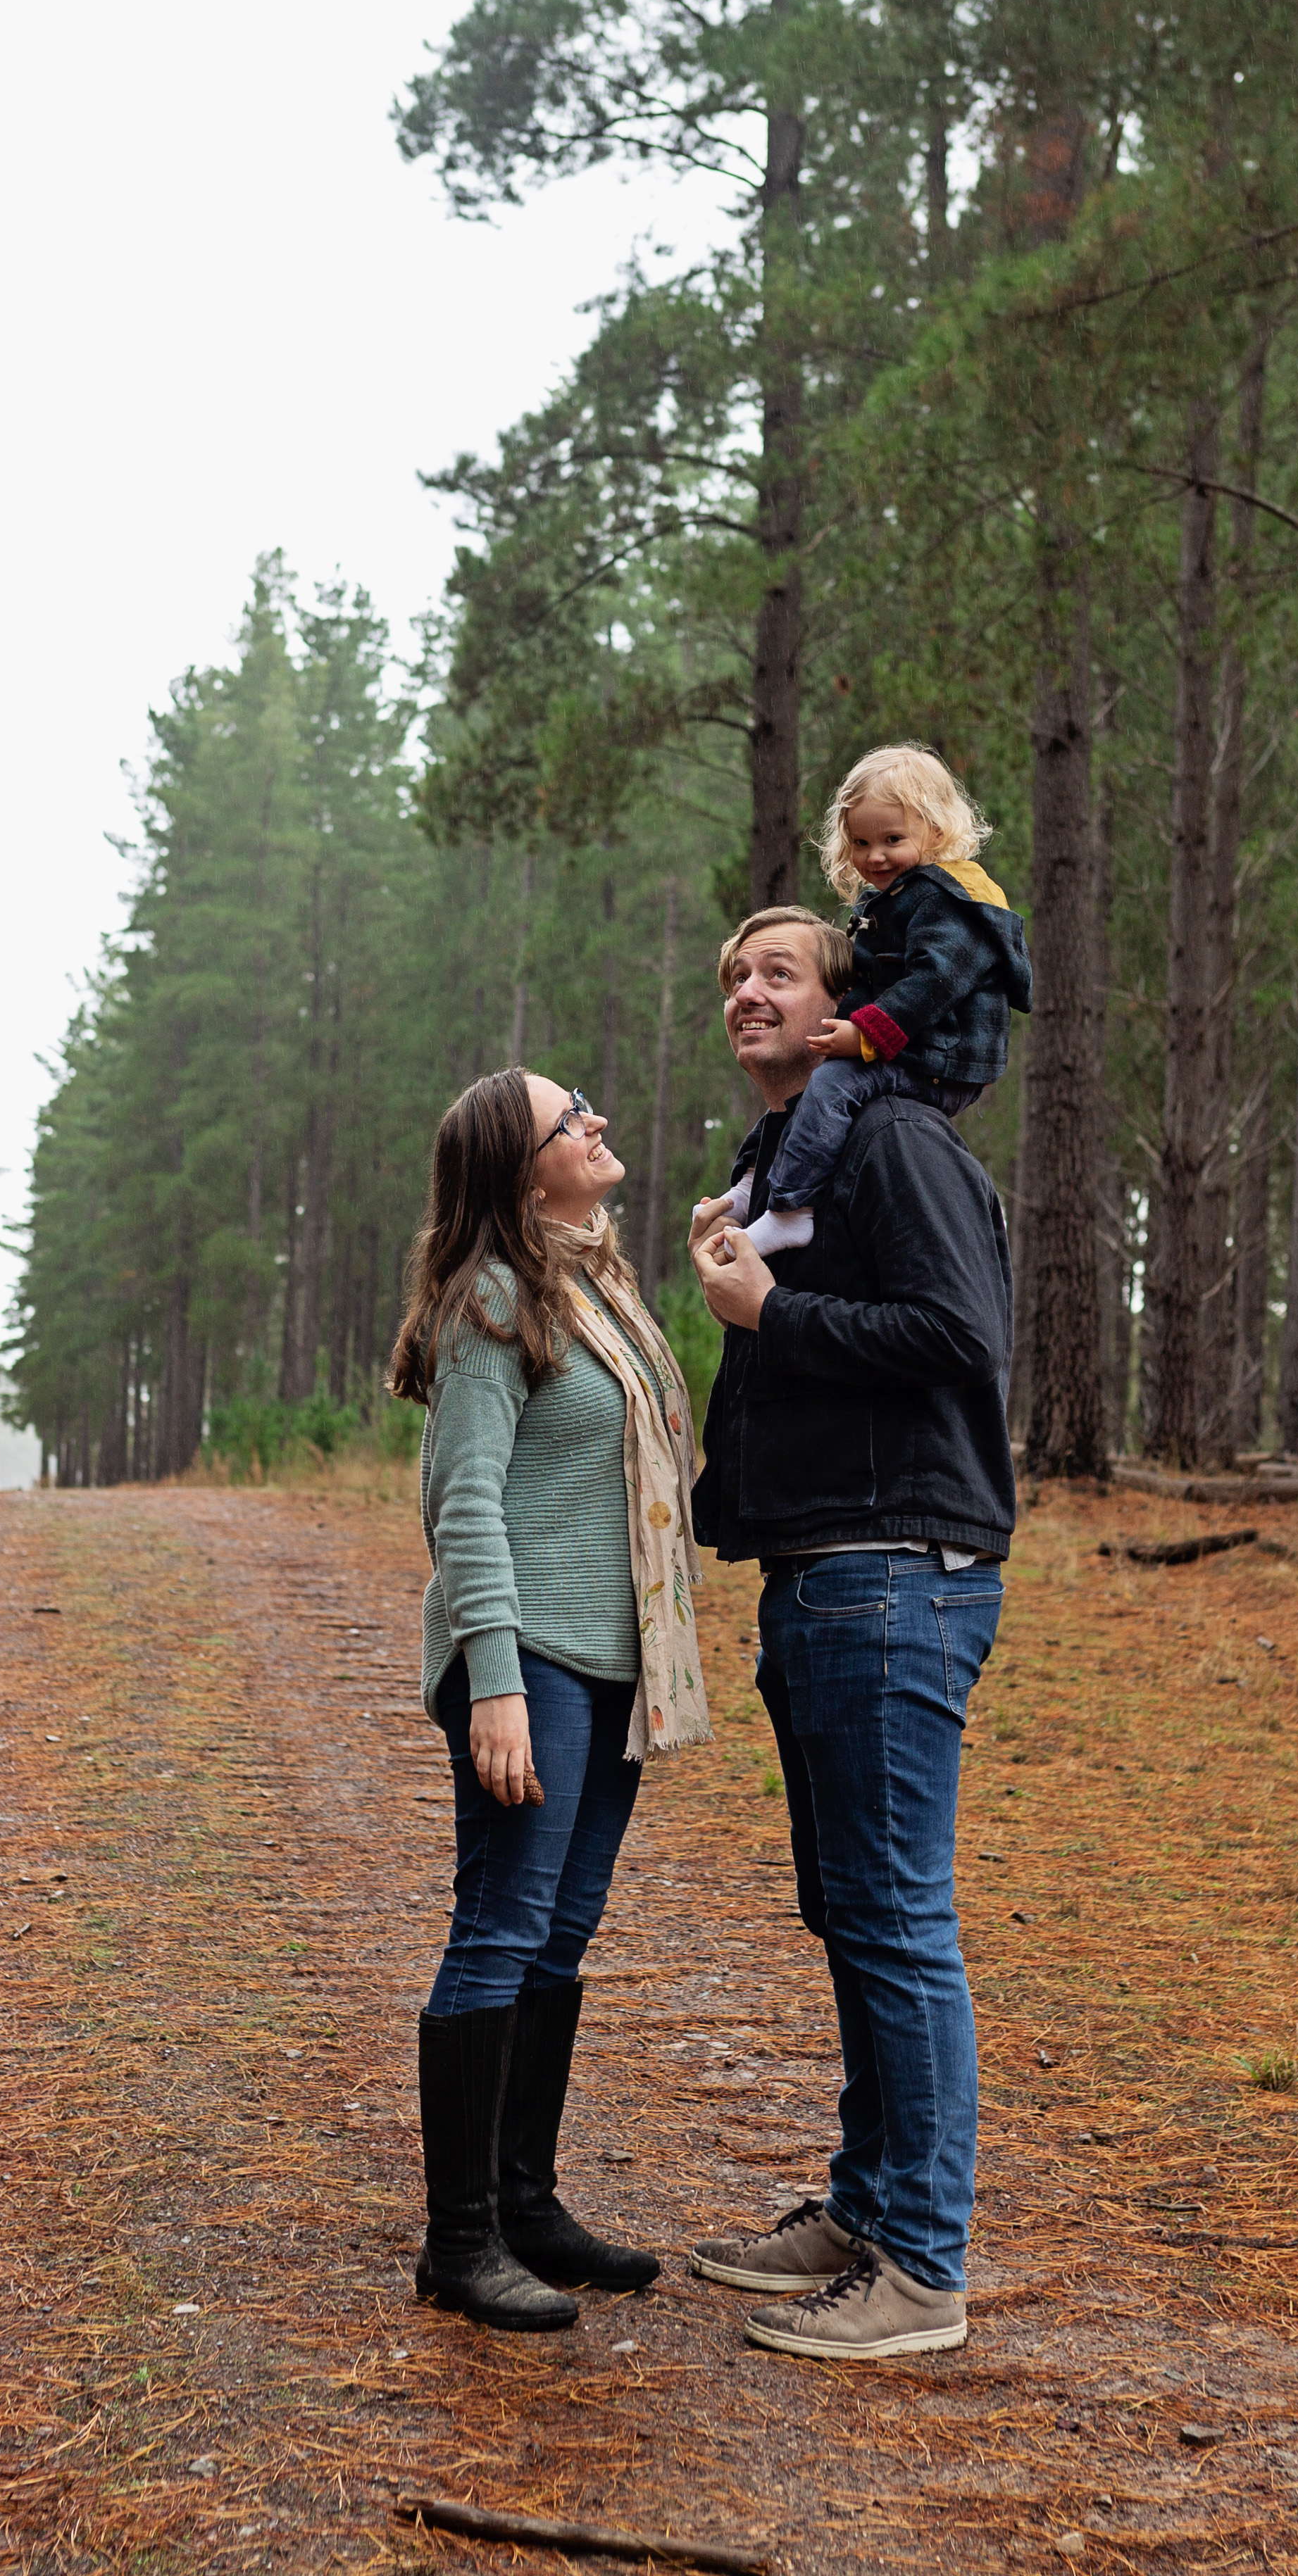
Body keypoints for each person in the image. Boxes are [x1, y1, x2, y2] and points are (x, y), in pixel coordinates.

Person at [681, 907, 1015, 2361]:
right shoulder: (790, 1157)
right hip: (819, 1573)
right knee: (853, 1913)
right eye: (732, 977)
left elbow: (961, 1333)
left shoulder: (889, 1138)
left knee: (895, 1920)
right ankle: (868, 2207)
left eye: (780, 973)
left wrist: (773, 1312)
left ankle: (922, 2272)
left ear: (843, 1005)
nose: (749, 993)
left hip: (897, 1570)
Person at [386, 1066, 713, 2331]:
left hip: (616, 1661)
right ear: (525, 1173)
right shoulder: (490, 1304)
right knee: (503, 1926)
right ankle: (459, 2242)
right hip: (533, 1665)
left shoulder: (599, 1292)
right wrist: (497, 1687)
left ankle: (525, 2202)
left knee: (560, 1932)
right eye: (569, 1120)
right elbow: (463, 1506)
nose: (598, 1125)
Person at [735, 746, 1034, 1257]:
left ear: (935, 832)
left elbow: (932, 985)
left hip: (942, 1058)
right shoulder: (890, 897)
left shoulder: (952, 901)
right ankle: (754, 1184)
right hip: (914, 1047)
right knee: (808, 1089)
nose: (874, 856)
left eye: (892, 840)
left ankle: (789, 1211)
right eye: (861, 842)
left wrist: (866, 1035)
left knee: (832, 1083)